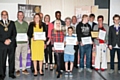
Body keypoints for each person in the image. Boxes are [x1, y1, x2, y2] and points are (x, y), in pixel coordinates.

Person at [0, 10, 17, 80]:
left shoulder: (12, 23)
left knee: (11, 60)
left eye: (5, 14)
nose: (4, 16)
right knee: (2, 60)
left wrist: (9, 40)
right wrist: (4, 41)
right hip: (2, 45)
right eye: (3, 14)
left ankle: (11, 73)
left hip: (11, 44)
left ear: (7, 15)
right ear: (1, 16)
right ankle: (1, 74)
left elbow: (14, 33)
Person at [15, 11, 29, 76]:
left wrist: (27, 38)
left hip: (25, 43)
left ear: (23, 16)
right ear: (17, 16)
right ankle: (17, 69)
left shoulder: (26, 24)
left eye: (21, 15)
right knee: (17, 56)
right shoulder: (14, 23)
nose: (20, 16)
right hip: (17, 43)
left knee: (24, 56)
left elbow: (28, 33)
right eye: (19, 15)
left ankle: (24, 69)